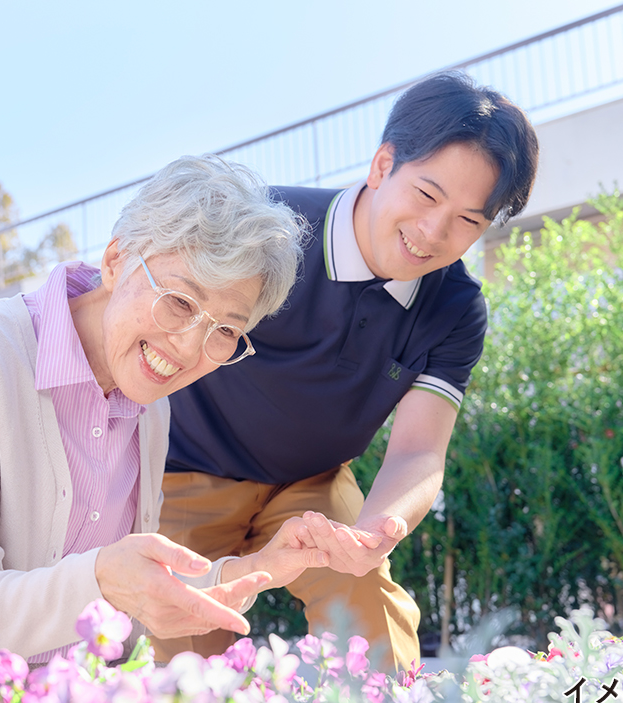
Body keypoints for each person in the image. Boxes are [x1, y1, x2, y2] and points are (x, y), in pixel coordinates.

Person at [0, 155, 344, 681]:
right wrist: (100, 579)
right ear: (115, 260)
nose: (191, 347)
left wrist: (255, 568)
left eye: (224, 331)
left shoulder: (150, 409)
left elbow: (133, 589)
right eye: (179, 301)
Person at [157, 71, 541, 672]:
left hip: (311, 484)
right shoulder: (267, 231)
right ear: (383, 164)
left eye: (469, 220)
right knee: (177, 651)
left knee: (369, 608)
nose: (434, 233)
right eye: (427, 195)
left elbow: (418, 452)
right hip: (185, 471)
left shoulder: (455, 308)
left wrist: (379, 529)